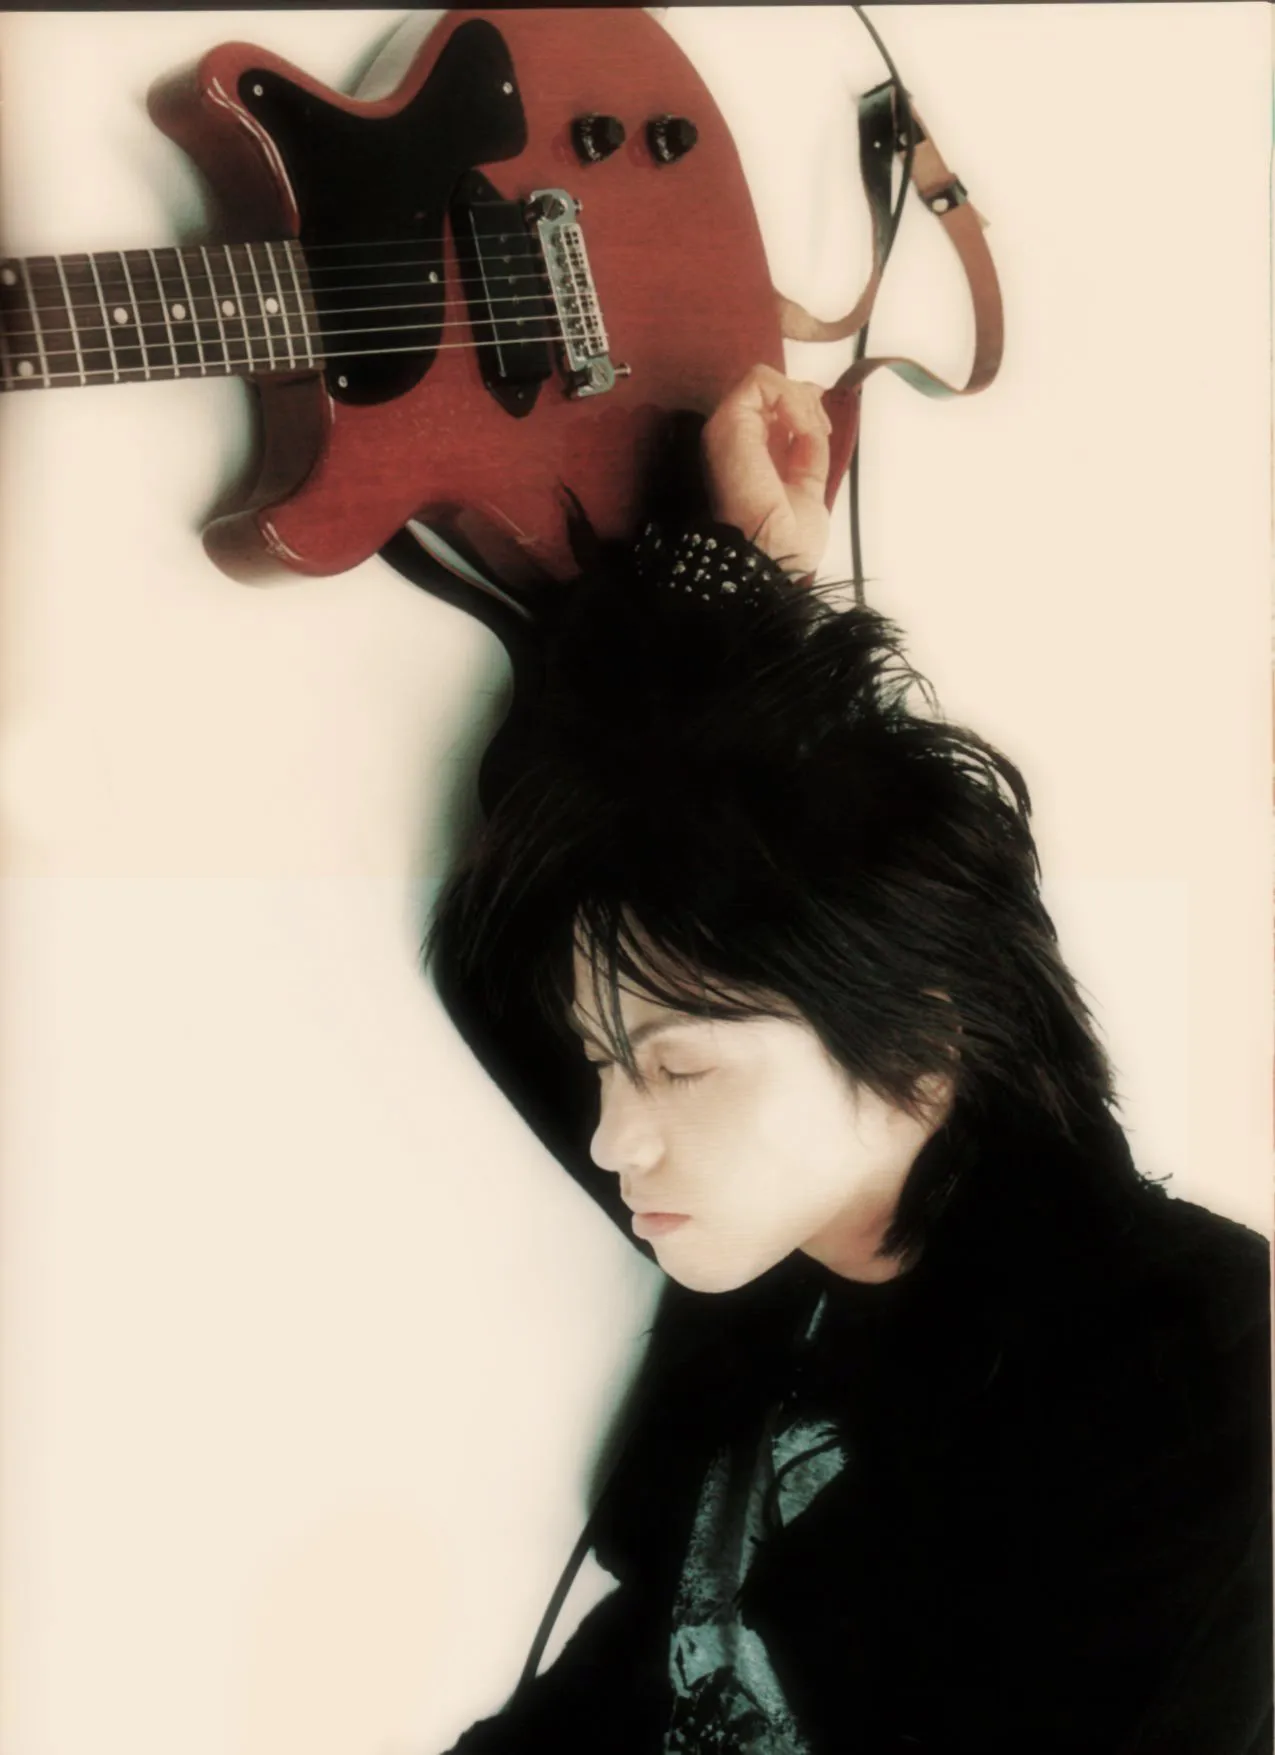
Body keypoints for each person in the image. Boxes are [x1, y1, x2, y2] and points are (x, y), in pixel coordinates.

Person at [426, 366, 1273, 1753]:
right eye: (602, 1063)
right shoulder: (773, 1242)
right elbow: (510, 911)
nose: (611, 1136)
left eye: (678, 1070)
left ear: (924, 1032)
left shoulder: (1188, 1353)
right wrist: (755, 581)